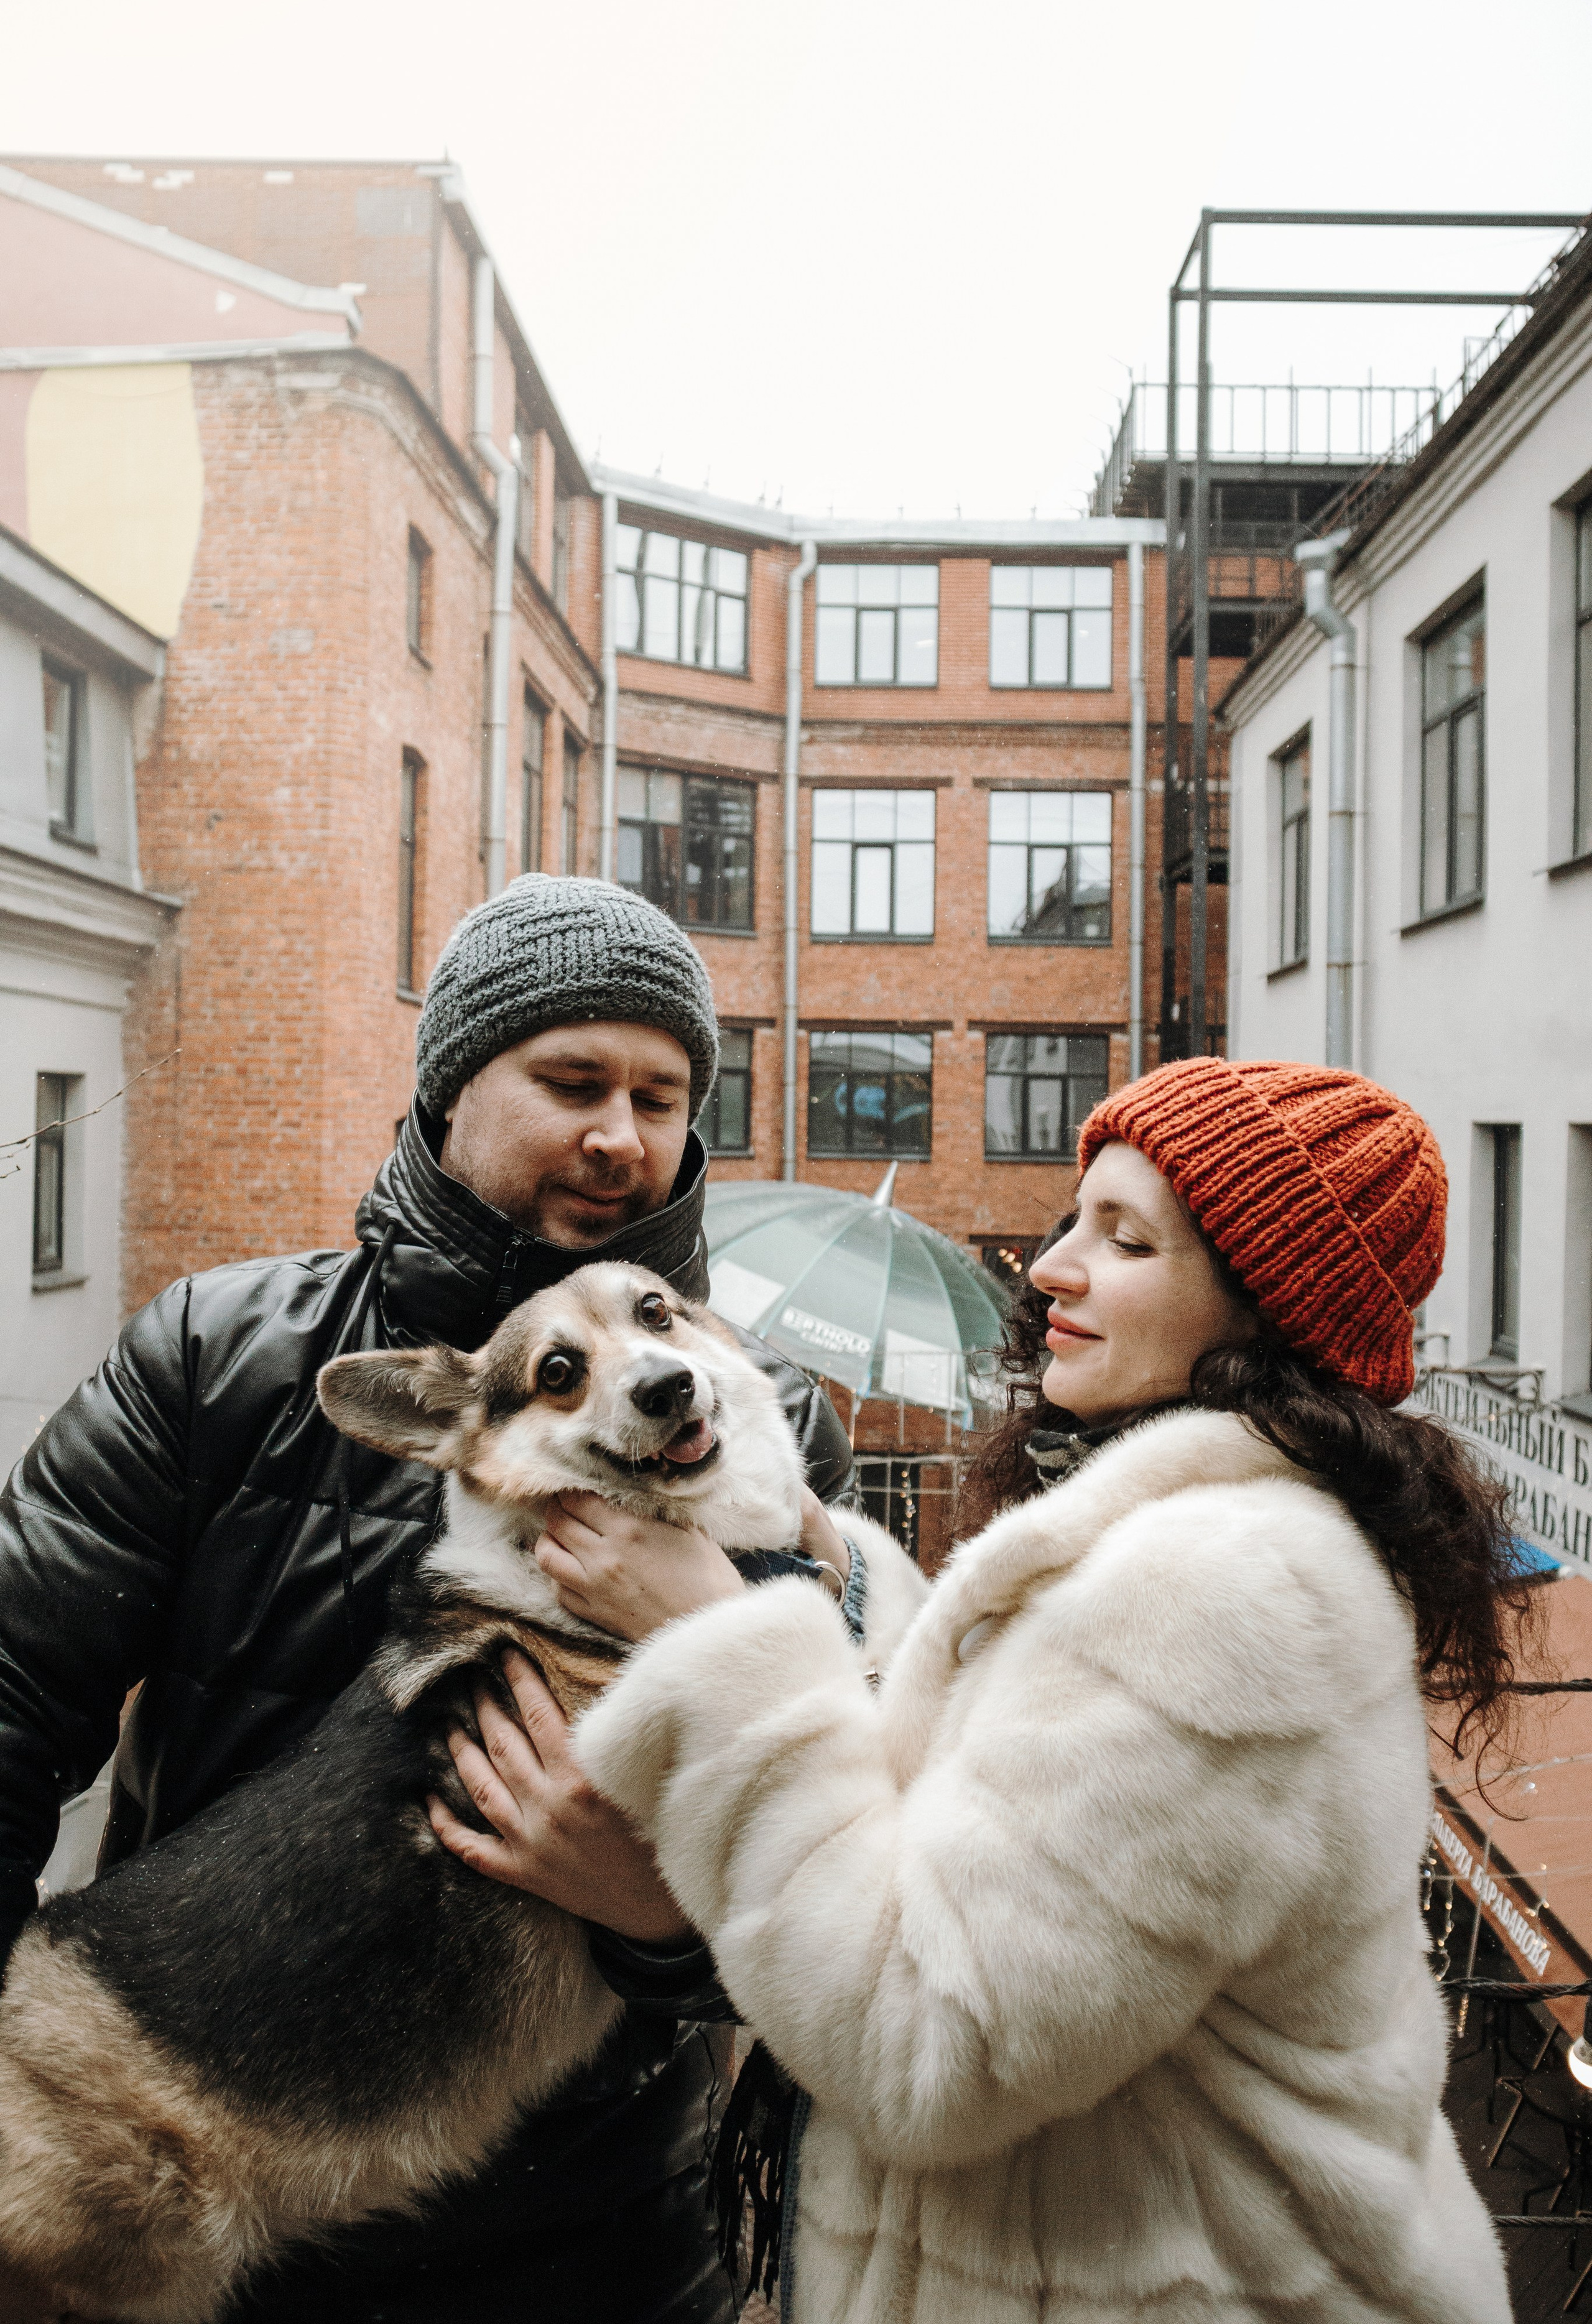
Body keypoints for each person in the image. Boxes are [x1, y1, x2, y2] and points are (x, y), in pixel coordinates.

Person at [438, 1057, 1528, 2324]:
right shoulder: (1176, 1528)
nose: (1052, 1266)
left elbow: (925, 2049)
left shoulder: (1219, 1590)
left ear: (1261, 1313)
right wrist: (827, 1565)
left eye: (1125, 1241)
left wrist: (718, 1640)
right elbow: (995, 1792)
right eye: (1076, 1220)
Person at [0, 875, 853, 2324]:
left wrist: (658, 1920)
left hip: (607, 2248)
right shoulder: (220, 1357)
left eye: (659, 1098)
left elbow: (847, 1879)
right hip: (195, 2181)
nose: (620, 1135)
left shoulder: (767, 1433)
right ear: (451, 1087)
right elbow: (11, 1711)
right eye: (572, 1082)